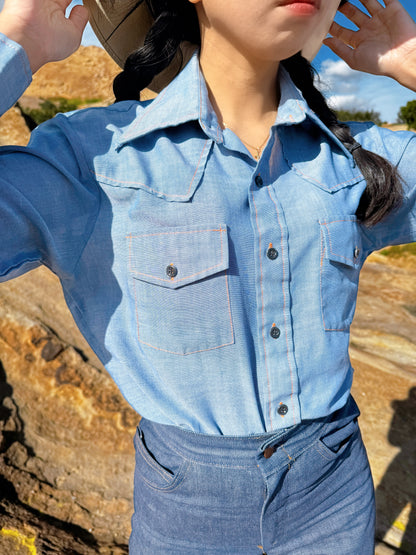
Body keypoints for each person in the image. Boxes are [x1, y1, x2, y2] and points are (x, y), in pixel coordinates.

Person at [0, 0, 415, 552]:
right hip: (187, 511)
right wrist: (16, 44)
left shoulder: (357, 158)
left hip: (335, 491)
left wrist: (411, 61)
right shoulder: (96, 156)